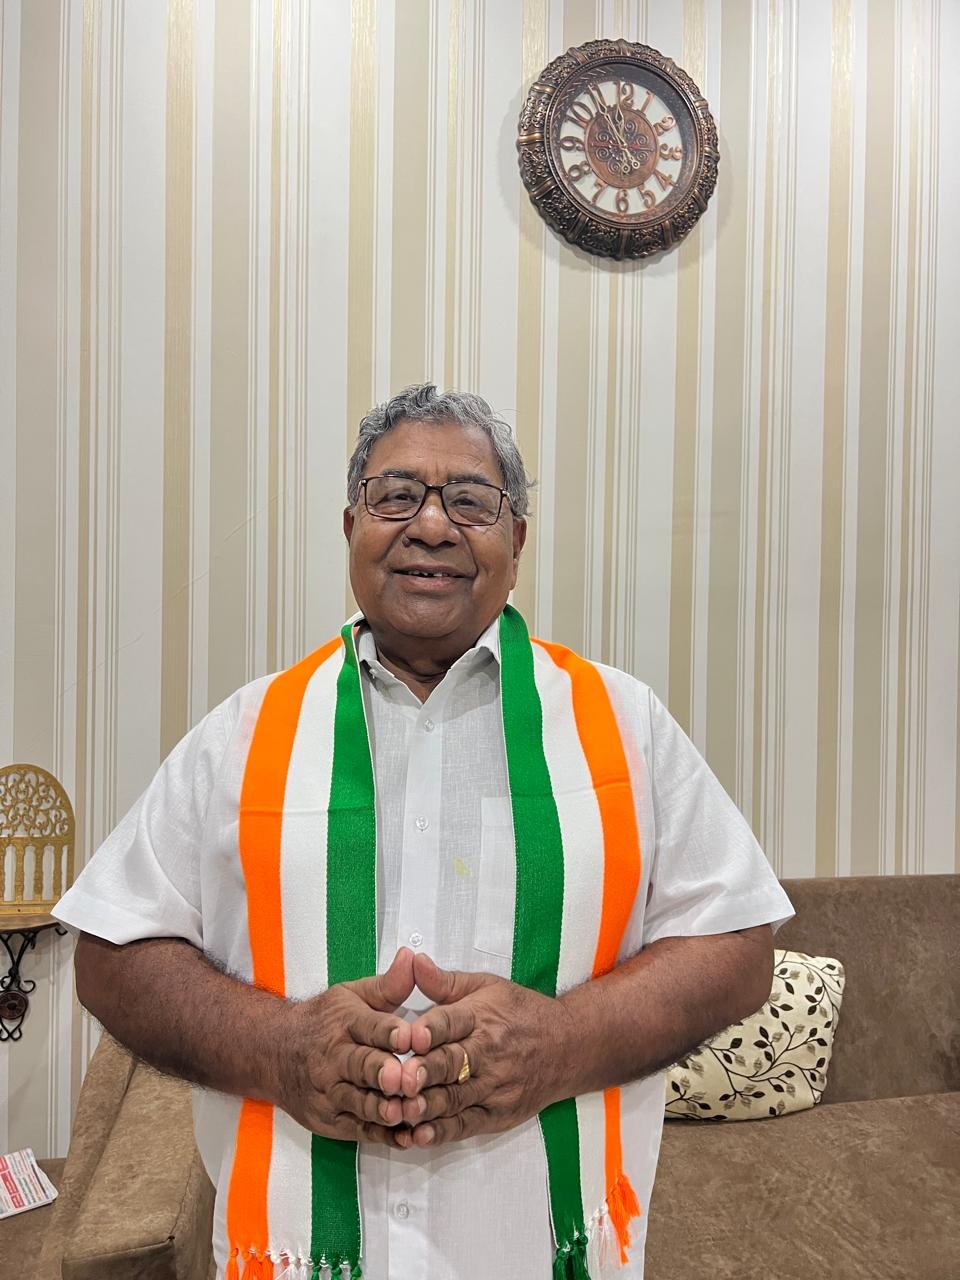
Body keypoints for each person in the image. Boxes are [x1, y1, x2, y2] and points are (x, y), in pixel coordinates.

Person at [55, 384, 793, 1280]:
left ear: (517, 539)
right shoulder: (243, 734)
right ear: (351, 526)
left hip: (548, 1256)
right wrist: (282, 1052)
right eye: (396, 495)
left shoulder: (623, 723)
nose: (432, 525)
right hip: (293, 1256)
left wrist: (561, 1045)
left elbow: (737, 946)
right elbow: (114, 953)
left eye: (470, 501)